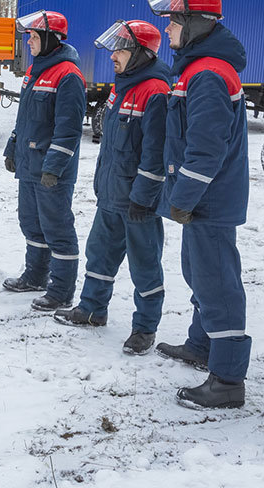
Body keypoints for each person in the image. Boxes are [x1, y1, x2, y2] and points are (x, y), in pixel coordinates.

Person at [148, 0, 251, 410]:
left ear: (195, 24)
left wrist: (184, 196)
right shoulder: (198, 68)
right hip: (203, 199)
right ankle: (201, 345)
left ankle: (227, 380)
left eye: (173, 21)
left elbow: (206, 150)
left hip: (208, 199)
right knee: (199, 273)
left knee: (217, 283)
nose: (168, 30)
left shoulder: (207, 74)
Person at [54, 20, 172, 357]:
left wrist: (144, 196)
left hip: (137, 203)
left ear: (140, 53)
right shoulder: (122, 87)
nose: (113, 56)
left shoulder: (156, 92)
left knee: (145, 266)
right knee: (99, 254)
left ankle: (144, 328)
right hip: (111, 195)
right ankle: (91, 309)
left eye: (120, 49)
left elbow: (156, 153)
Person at [2, 11, 87, 312]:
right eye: (29, 37)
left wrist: (54, 166)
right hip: (29, 164)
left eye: (35, 37)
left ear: (52, 38)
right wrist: (13, 146)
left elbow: (69, 129)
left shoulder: (68, 75)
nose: (29, 43)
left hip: (52, 171)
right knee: (31, 222)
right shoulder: (35, 71)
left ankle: (62, 290)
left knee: (57, 228)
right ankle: (36, 275)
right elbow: (25, 117)